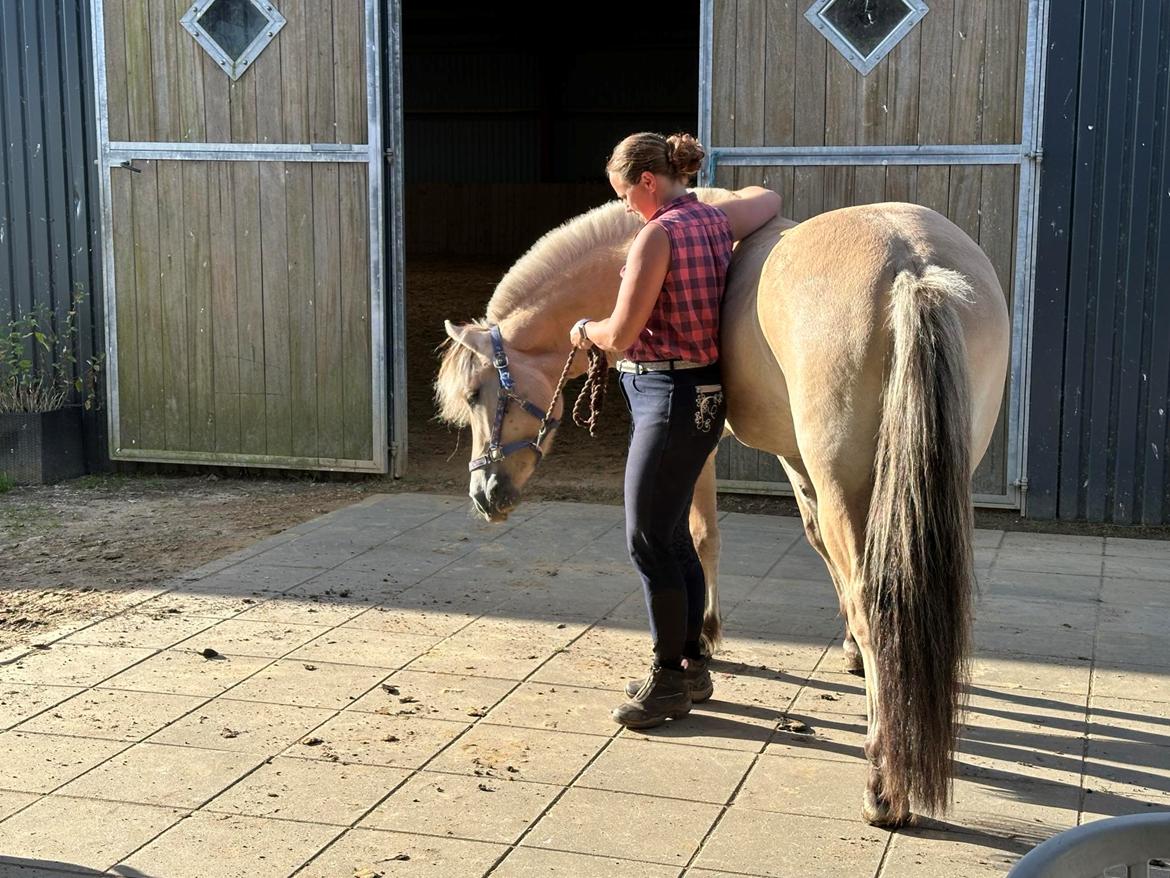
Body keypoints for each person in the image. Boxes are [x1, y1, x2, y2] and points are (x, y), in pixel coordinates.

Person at [569, 132, 782, 729]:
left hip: (665, 395)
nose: (625, 209)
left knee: (645, 537)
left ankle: (667, 678)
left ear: (645, 182)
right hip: (706, 396)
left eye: (624, 196)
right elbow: (768, 199)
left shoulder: (655, 235)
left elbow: (623, 334)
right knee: (673, 534)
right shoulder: (712, 219)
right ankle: (691, 662)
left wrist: (584, 329)